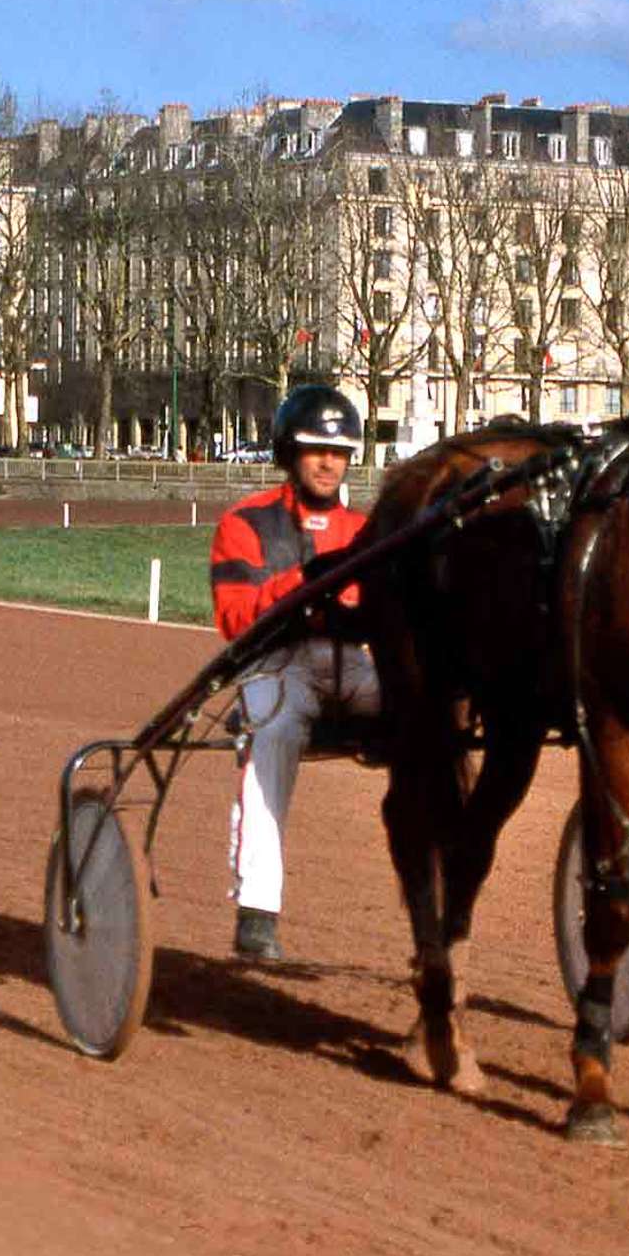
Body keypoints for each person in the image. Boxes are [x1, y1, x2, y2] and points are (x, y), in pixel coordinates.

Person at [210, 384, 378, 962]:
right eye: (315, 449)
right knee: (273, 732)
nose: (330, 462)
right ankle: (257, 909)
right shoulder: (245, 523)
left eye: (340, 451)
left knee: (429, 714)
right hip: (278, 664)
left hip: (351, 665)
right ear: (289, 452)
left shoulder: (368, 531)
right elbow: (235, 617)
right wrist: (308, 581)